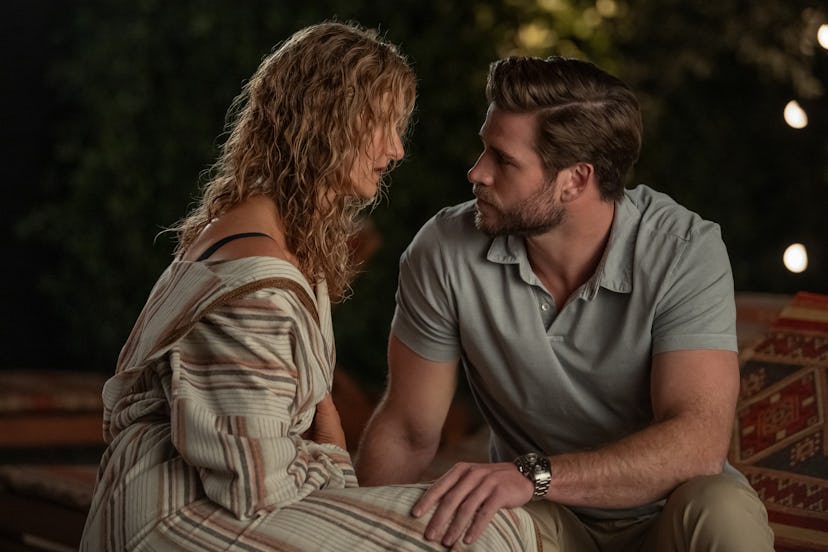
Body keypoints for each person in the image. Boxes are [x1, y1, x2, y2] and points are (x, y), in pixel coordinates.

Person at [80, 23, 540, 551]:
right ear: (327, 121)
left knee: (477, 518)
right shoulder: (259, 282)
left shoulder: (262, 233)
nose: (395, 150)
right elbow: (257, 483)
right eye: (383, 125)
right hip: (178, 524)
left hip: (210, 504)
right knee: (488, 532)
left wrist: (327, 445)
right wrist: (333, 448)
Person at [355, 55, 775, 551]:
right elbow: (407, 430)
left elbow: (697, 444)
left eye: (503, 160)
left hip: (669, 509)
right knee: (468, 523)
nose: (476, 172)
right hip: (543, 519)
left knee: (723, 511)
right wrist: (345, 527)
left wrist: (534, 475)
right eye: (483, 150)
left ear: (575, 179)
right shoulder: (444, 250)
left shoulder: (685, 250)